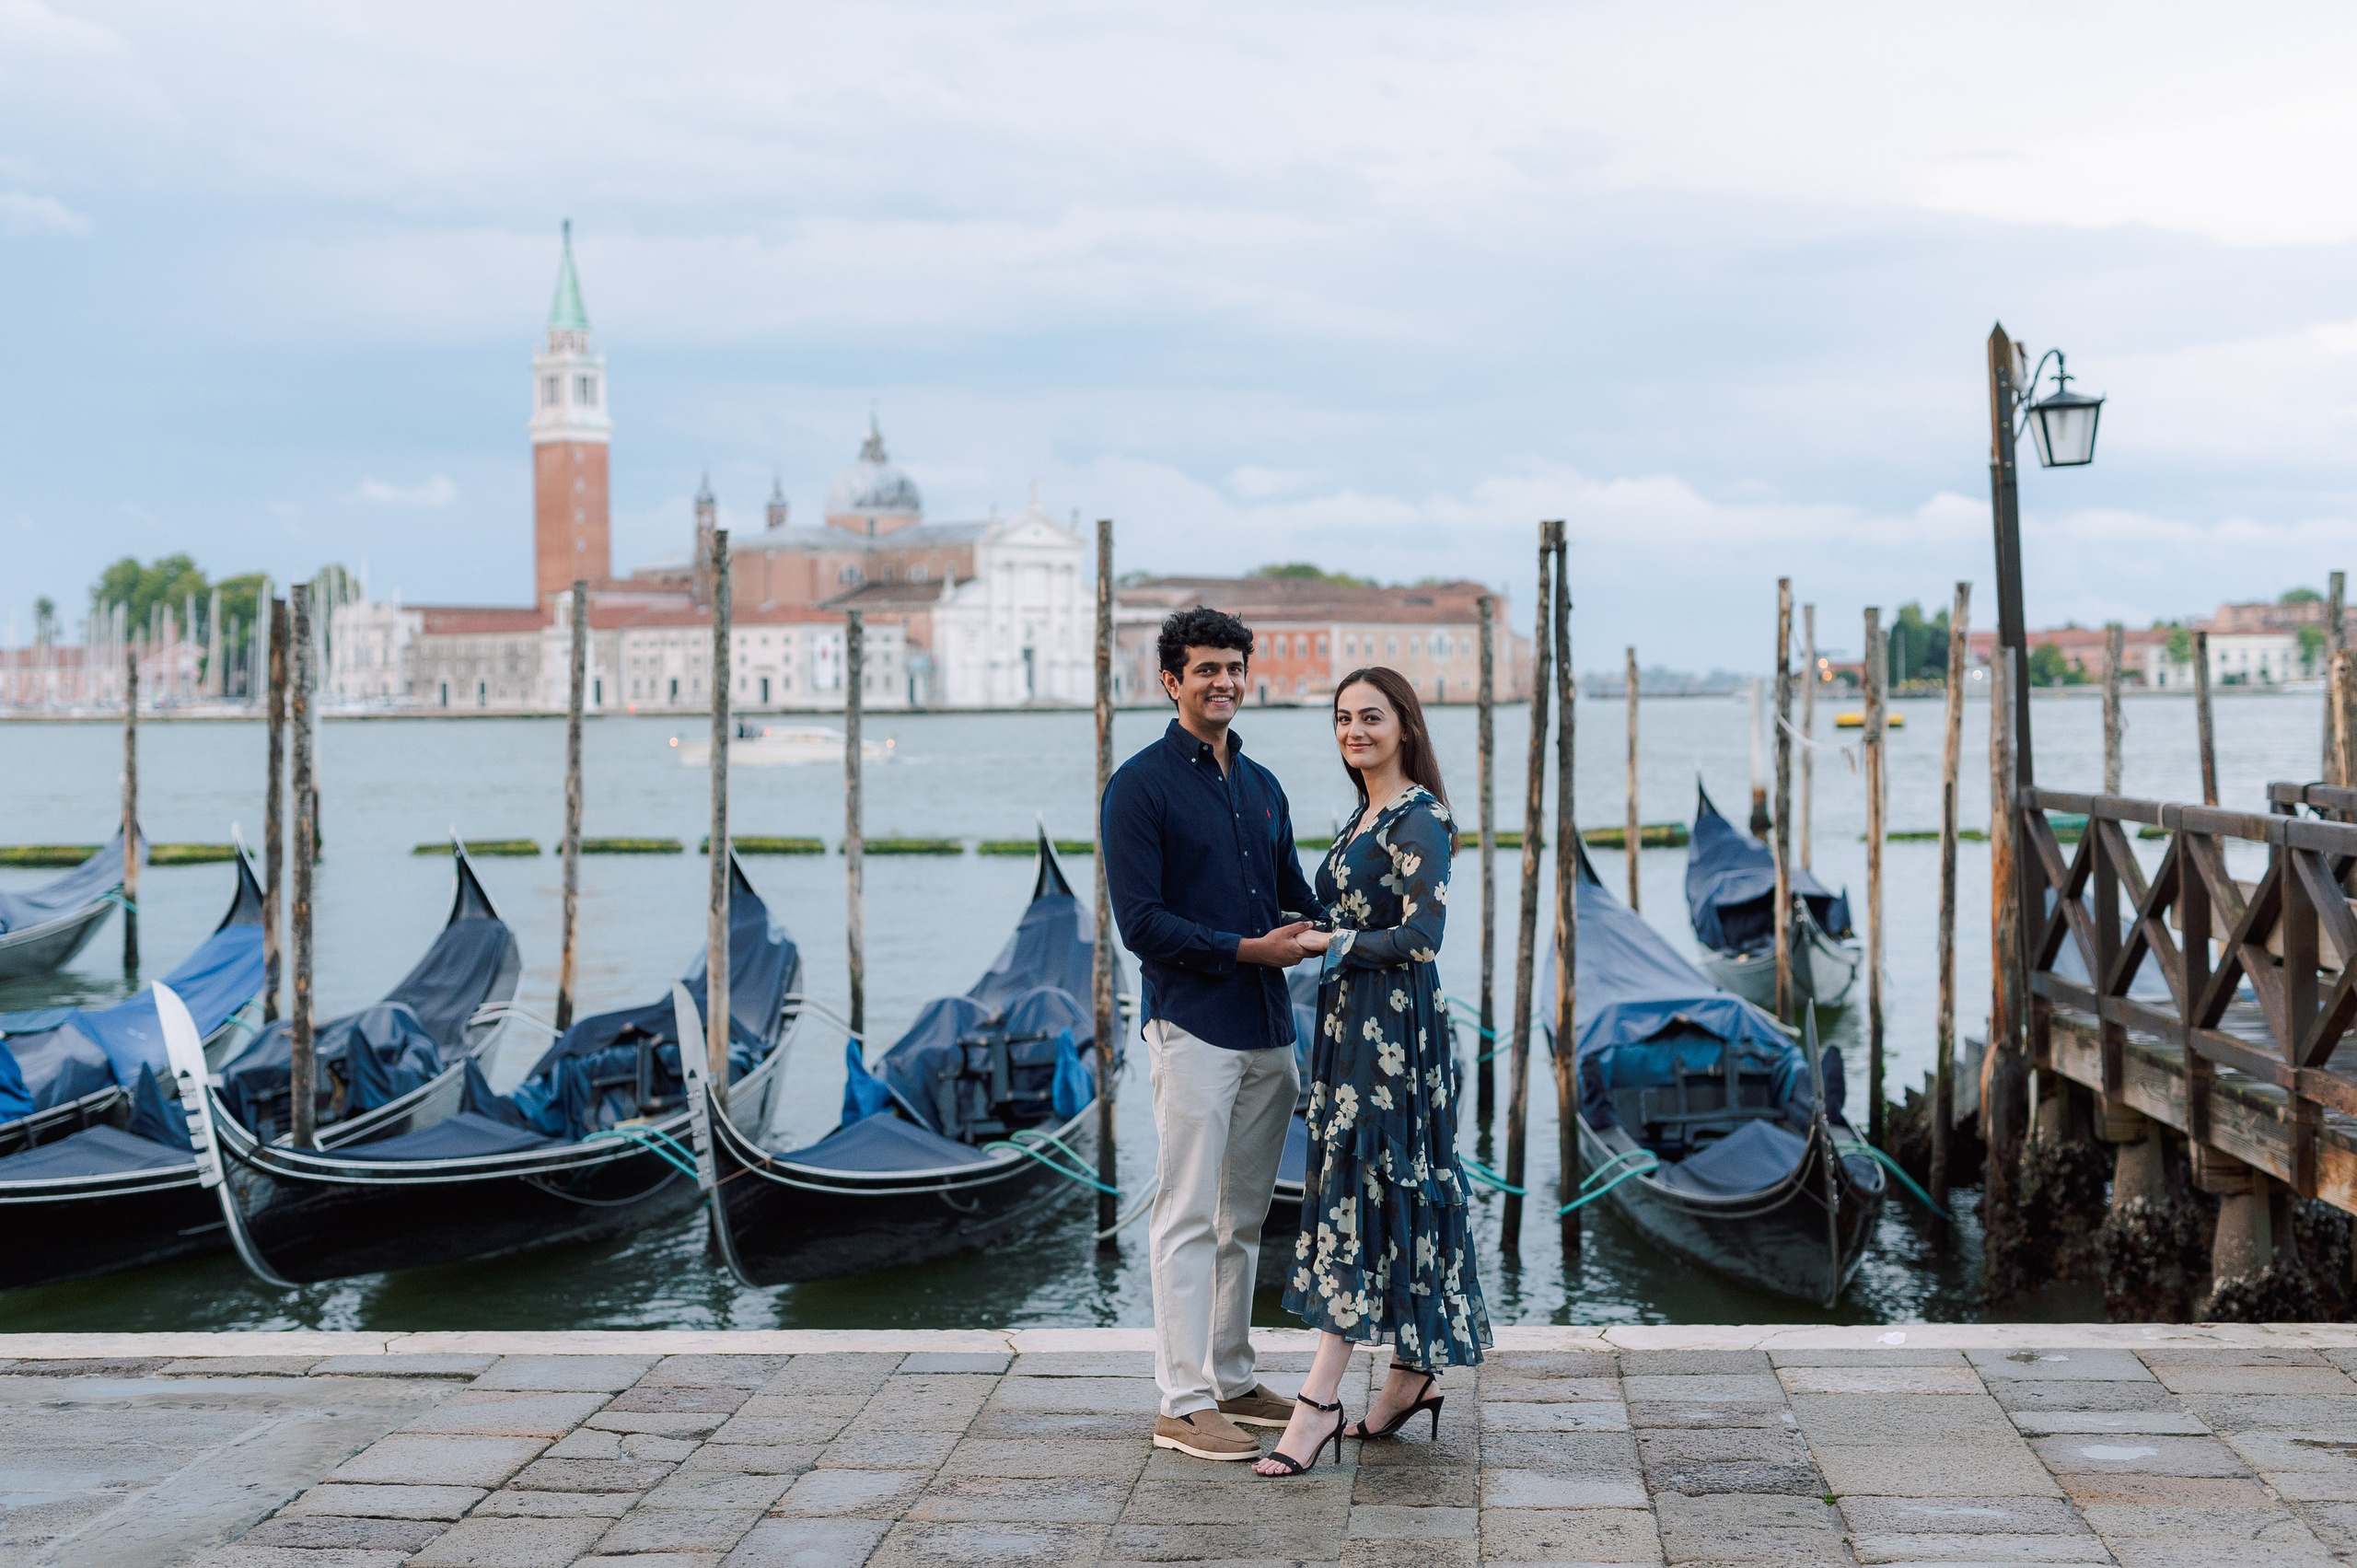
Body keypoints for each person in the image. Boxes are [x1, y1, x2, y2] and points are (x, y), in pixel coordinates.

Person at [1254, 665, 1492, 1478]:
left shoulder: (1422, 817)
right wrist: (1313, 927)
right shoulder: (1366, 813)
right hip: (1350, 1030)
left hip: (1395, 1036)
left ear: (1406, 726)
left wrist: (1332, 944)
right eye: (1343, 717)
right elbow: (1356, 915)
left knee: (1364, 1195)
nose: (1354, 730)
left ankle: (1319, 1399)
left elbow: (1423, 936)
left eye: (1371, 717)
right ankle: (1408, 1375)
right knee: (1374, 1189)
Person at [1101, 606, 1327, 1462]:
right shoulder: (1139, 785)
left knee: (1243, 1217)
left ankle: (1231, 1376)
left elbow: (1291, 893)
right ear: (1171, 679)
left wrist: (1354, 925)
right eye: (1206, 668)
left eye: (1234, 666)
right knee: (1187, 1214)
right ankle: (1181, 1398)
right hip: (1193, 1026)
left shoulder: (1263, 785)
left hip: (1269, 1030)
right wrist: (1248, 948)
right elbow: (1143, 924)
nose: (1223, 680)